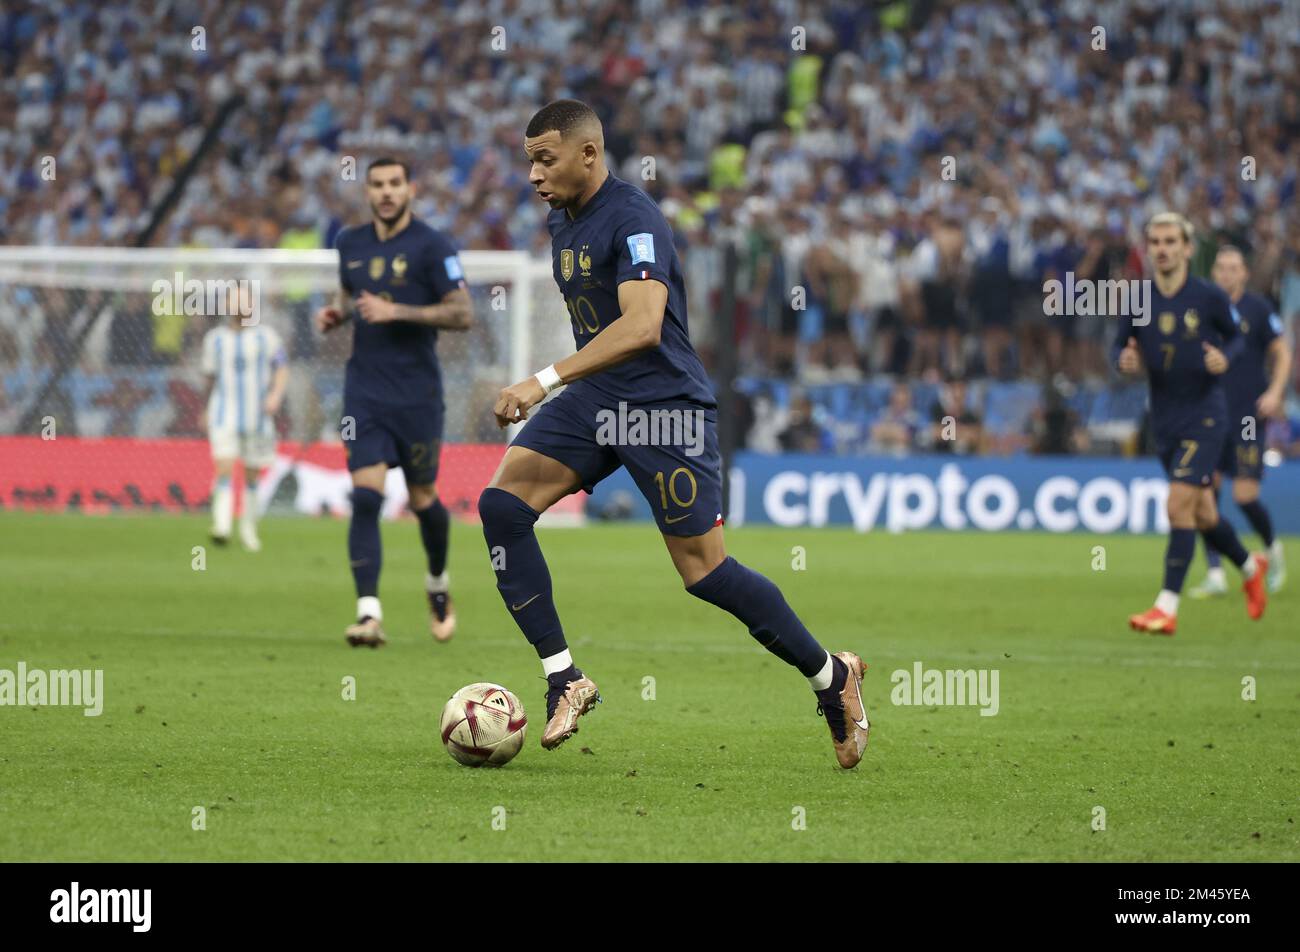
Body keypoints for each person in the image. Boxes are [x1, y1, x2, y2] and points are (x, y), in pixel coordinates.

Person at [479, 100, 869, 767]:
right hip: (601, 399)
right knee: (502, 506)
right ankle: (564, 678)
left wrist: (540, 381)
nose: (536, 175)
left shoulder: (634, 220)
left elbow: (641, 328)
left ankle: (832, 678)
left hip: (665, 407)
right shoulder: (561, 222)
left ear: (589, 154)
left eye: (546, 159)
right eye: (530, 162)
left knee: (704, 572)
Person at [314, 158, 474, 647]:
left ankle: (438, 583)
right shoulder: (350, 242)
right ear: (367, 192)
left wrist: (395, 310)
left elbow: (462, 314)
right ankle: (368, 614)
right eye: (378, 185)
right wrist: (337, 315)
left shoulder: (433, 245)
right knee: (365, 497)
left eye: (395, 184)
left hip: (418, 396)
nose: (386, 193)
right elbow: (349, 296)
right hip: (364, 391)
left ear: (411, 188)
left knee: (424, 500)